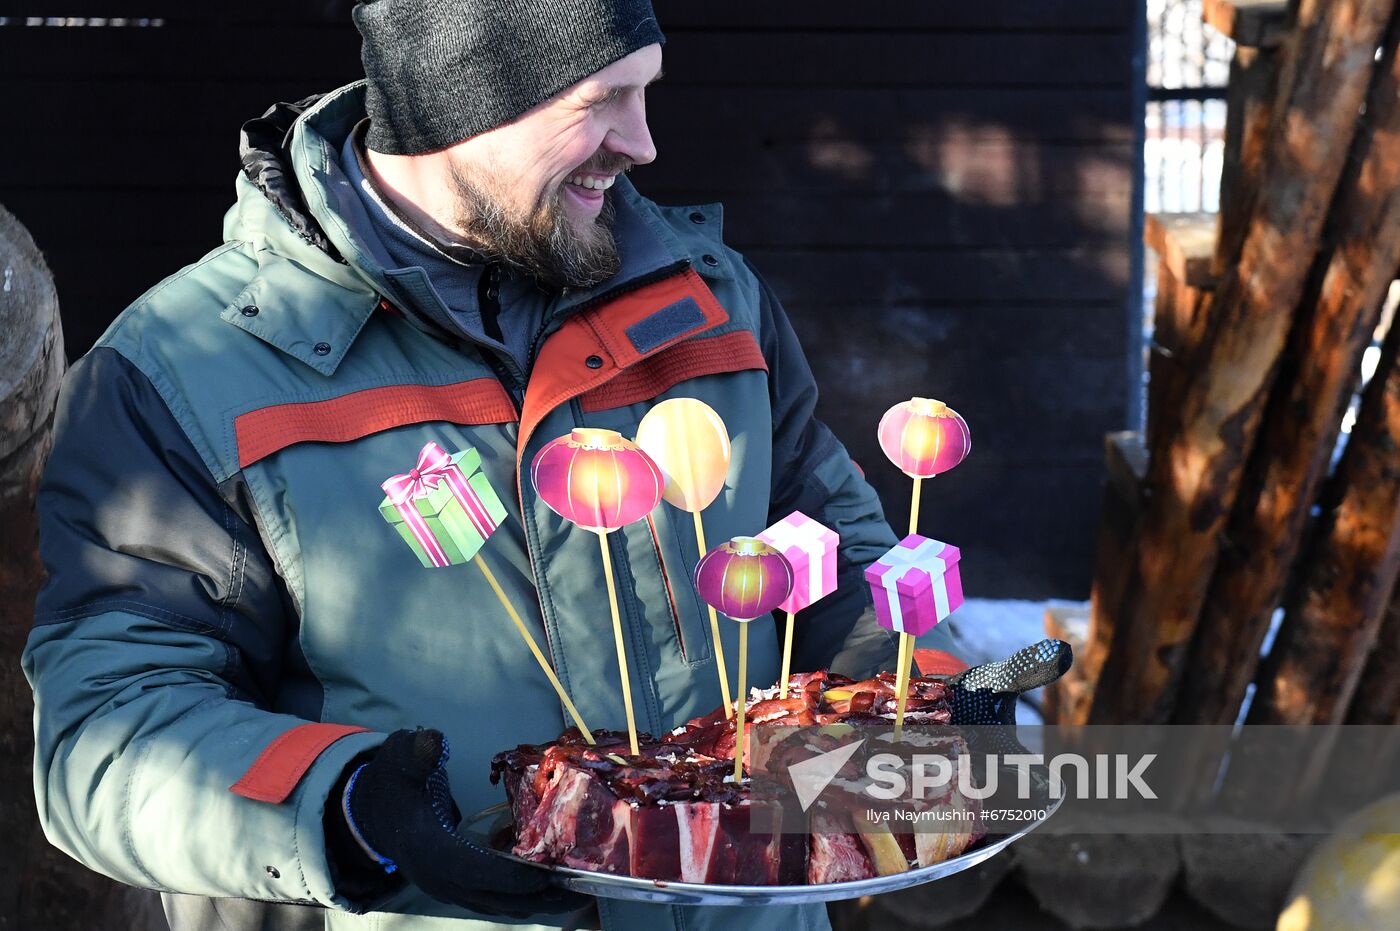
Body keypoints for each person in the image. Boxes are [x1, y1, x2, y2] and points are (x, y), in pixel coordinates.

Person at [23, 1, 1067, 929]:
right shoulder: (186, 370)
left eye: (647, 94)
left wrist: (932, 698)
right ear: (460, 97)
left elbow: (835, 564)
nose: (644, 143)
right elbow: (107, 732)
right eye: (603, 99)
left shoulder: (711, 304)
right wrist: (343, 805)